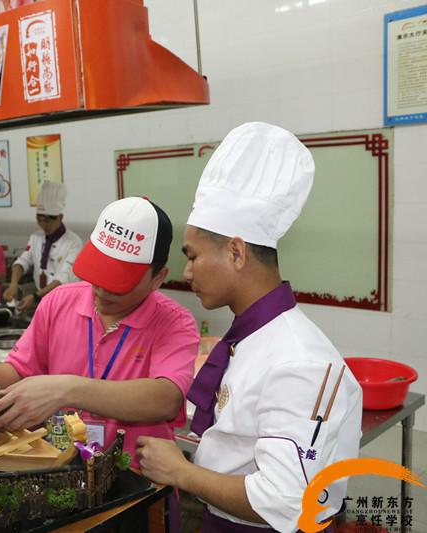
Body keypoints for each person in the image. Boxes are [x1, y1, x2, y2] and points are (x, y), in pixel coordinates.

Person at [135, 122, 363, 533]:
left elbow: (289, 503)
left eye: (193, 256)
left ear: (236, 252)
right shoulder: (250, 338)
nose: (186, 271)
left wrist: (180, 472)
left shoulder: (299, 360)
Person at [0, 197, 199, 463]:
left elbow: (166, 399)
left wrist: (66, 390)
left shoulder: (174, 322)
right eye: (98, 273)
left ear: (158, 277)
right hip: (61, 467)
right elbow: (20, 370)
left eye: (118, 282)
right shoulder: (59, 302)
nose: (101, 289)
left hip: (135, 478)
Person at [2, 181, 83, 310]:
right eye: (39, 220)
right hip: (44, 301)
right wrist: (13, 284)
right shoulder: (36, 237)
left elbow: (64, 277)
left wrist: (35, 297)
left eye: (47, 221)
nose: (43, 225)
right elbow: (22, 261)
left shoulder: (74, 242)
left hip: (68, 302)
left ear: (60, 217)